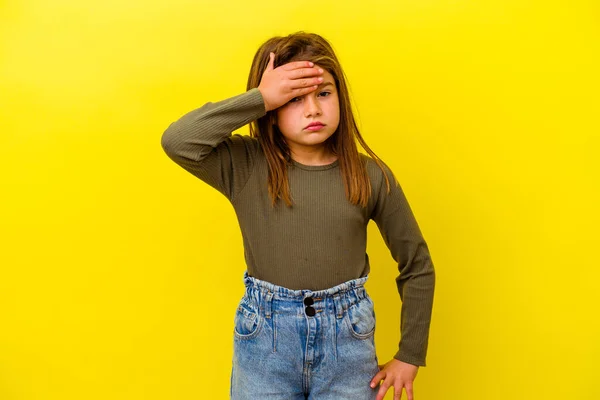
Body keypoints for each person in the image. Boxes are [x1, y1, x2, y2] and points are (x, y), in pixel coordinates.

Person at [161, 31, 435, 400]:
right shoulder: (244, 166)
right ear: (271, 113)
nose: (313, 110)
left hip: (347, 349)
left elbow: (417, 264)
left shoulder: (371, 177)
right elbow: (178, 141)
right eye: (293, 98)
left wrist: (410, 355)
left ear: (341, 97)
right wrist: (260, 98)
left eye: (323, 93)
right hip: (264, 347)